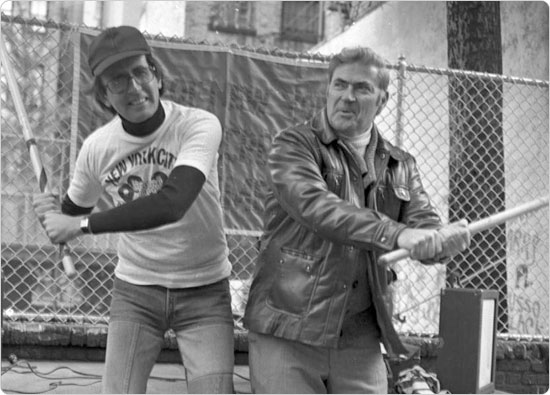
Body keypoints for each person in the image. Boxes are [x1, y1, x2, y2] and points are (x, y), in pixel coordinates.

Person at [243, 46, 471, 394]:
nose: (347, 97)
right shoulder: (294, 144)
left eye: (362, 88)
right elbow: (319, 208)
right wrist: (399, 235)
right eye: (340, 85)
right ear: (328, 88)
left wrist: (440, 243)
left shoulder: (400, 163)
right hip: (288, 328)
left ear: (382, 100)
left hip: (360, 336)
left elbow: (422, 225)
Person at [33, 26, 234, 394]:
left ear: (156, 75)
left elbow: (173, 203)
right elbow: (69, 216)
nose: (134, 88)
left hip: (204, 287)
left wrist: (78, 225)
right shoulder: (98, 147)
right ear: (104, 95)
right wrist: (49, 213)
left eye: (140, 73)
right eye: (117, 81)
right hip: (137, 290)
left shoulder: (198, 125)